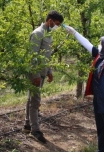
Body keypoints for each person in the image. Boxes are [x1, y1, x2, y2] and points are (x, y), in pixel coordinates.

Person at [65, 25, 104, 152]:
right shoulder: (101, 56)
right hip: (99, 99)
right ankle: (103, 150)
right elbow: (87, 44)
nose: (99, 45)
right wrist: (75, 32)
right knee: (101, 127)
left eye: (101, 43)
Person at [23, 10, 64, 144]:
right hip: (35, 73)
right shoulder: (37, 34)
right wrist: (35, 75)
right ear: (50, 20)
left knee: (32, 99)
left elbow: (47, 56)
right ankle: (35, 131)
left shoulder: (49, 34)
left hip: (42, 72)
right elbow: (32, 56)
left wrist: (49, 71)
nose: (57, 26)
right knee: (35, 101)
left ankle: (27, 124)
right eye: (56, 23)